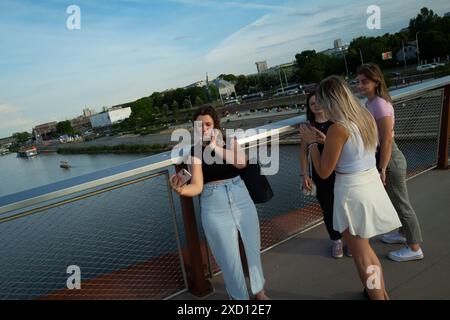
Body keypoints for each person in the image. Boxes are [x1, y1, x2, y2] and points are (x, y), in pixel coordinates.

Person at [300, 75, 402, 300]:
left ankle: (377, 297)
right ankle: (381, 293)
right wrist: (324, 141)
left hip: (351, 194)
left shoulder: (338, 128)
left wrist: (311, 144)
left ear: (331, 100)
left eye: (323, 101)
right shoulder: (364, 116)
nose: (322, 106)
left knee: (362, 256)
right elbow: (353, 149)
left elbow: (324, 171)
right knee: (367, 251)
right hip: (369, 183)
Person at [169, 106, 268, 300]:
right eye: (199, 125)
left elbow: (241, 162)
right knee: (227, 258)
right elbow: (196, 186)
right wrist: (181, 189)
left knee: (252, 248)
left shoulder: (230, 141)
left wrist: (215, 147)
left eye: (208, 124)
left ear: (215, 125)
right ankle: (238, 299)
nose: (204, 128)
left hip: (240, 196)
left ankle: (260, 293)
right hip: (213, 203)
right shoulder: (194, 152)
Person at [356, 63, 424, 262]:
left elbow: (386, 140)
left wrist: (383, 168)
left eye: (364, 82)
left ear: (376, 82)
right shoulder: (370, 102)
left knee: (402, 204)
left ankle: (414, 247)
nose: (359, 86)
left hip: (389, 158)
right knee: (395, 200)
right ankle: (403, 233)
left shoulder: (379, 105)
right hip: (382, 155)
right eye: (358, 81)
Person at [300, 90, 349, 258]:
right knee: (328, 209)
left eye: (318, 101)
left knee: (344, 207)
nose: (316, 106)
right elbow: (303, 153)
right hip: (320, 174)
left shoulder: (336, 124)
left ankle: (350, 240)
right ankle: (336, 241)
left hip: (340, 171)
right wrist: (305, 175)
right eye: (312, 103)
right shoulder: (308, 127)